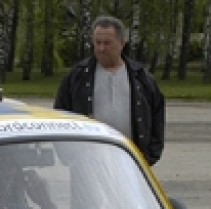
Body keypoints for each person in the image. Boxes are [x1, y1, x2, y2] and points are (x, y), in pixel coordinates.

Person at [54, 15, 165, 165]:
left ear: (122, 43)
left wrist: (150, 156)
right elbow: (60, 116)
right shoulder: (77, 77)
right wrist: (68, 156)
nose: (101, 49)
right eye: (98, 43)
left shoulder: (141, 77)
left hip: (130, 162)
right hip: (86, 163)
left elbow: (157, 116)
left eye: (107, 43)